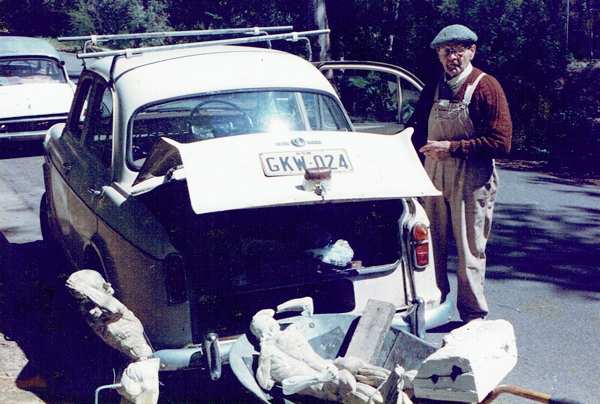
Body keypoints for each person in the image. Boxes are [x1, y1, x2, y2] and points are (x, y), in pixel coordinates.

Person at [410, 24, 512, 323]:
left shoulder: (486, 86)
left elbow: (501, 142)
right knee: (430, 247)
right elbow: (415, 128)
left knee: (469, 252)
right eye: (445, 51)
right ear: (439, 55)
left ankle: (472, 318)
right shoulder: (435, 85)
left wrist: (452, 148)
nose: (452, 57)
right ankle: (434, 309)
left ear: (472, 51)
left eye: (458, 50)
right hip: (433, 174)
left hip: (472, 178)